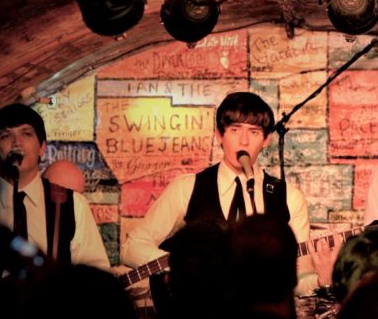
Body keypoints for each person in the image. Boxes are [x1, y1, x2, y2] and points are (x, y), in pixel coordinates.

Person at [121, 92, 322, 295]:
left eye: (253, 132)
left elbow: (299, 280)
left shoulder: (289, 198)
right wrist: (182, 267)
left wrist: (324, 279)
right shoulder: (187, 187)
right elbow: (132, 248)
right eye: (235, 130)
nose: (243, 141)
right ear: (219, 135)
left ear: (266, 140)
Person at [0, 103, 110, 271]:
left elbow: (95, 276)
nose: (17, 142)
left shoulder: (73, 205)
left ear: (42, 147)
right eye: (6, 136)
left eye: (26, 134)